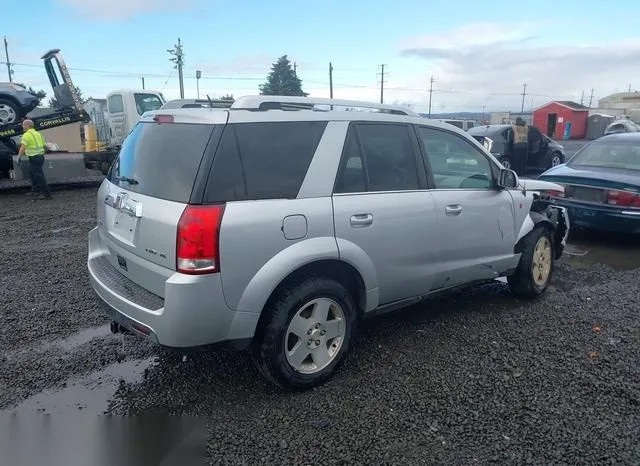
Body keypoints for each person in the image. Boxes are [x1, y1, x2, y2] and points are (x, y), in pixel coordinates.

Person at [18, 119, 52, 200]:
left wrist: (18, 156)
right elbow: (44, 146)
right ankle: (35, 191)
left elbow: (23, 147)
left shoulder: (26, 135)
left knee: (39, 176)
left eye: (23, 125)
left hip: (34, 158)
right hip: (39, 157)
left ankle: (47, 194)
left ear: (27, 125)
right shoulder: (38, 134)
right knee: (32, 174)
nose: (22, 126)